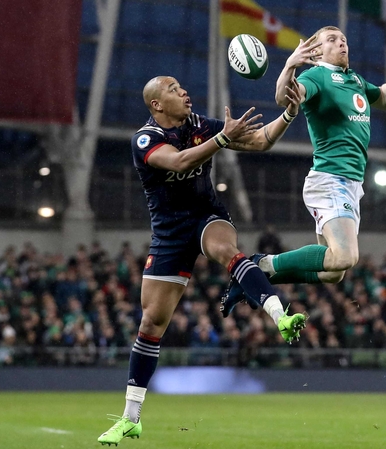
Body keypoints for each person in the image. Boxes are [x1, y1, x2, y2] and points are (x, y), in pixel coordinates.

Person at [97, 75, 307, 446]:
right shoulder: (145, 138)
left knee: (227, 250)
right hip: (170, 235)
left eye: (182, 86)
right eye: (174, 90)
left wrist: (289, 114)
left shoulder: (199, 125)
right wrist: (223, 138)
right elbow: (178, 162)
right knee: (152, 322)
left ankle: (281, 315)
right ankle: (131, 419)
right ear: (157, 105)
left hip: (208, 216)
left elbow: (260, 141)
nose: (184, 91)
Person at [222, 26, 386, 313]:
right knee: (344, 257)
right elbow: (283, 98)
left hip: (350, 185)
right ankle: (260, 264)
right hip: (330, 180)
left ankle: (258, 274)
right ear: (317, 51)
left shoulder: (354, 79)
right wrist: (291, 64)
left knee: (333, 272)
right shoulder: (316, 76)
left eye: (343, 39)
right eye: (332, 40)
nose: (341, 43)